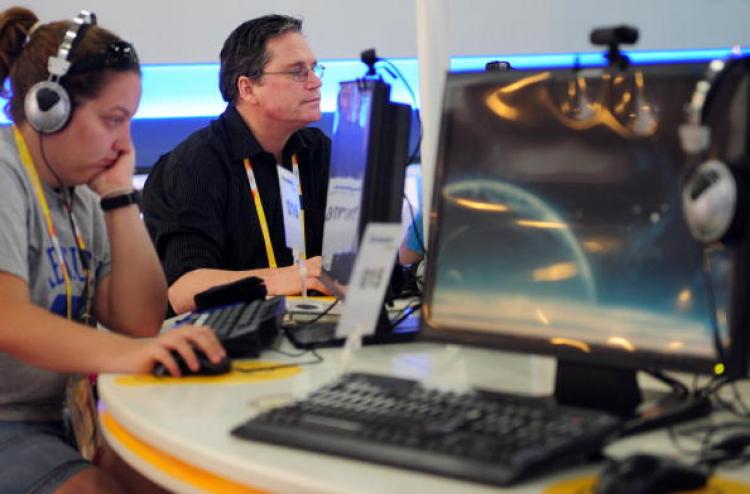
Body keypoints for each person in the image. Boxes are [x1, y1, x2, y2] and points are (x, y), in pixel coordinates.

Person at [0, 7, 226, 493]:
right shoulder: (4, 175)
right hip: (7, 425)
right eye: (113, 120)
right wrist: (134, 354)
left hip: (57, 423)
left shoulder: (80, 195)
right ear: (48, 107)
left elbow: (139, 320)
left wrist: (119, 195)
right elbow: (8, 320)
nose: (126, 141)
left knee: (183, 482)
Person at [142, 14, 332, 315]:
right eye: (297, 72)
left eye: (313, 68)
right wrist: (291, 276)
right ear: (247, 88)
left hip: (313, 326)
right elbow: (185, 289)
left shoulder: (316, 150)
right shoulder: (193, 166)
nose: (316, 81)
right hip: (224, 343)